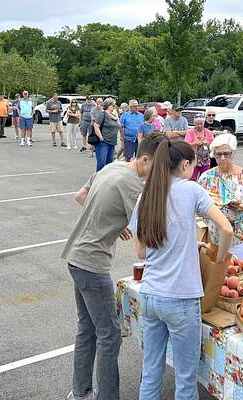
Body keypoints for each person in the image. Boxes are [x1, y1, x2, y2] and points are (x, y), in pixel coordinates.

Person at [62, 133, 166, 400]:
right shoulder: (133, 186)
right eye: (159, 166)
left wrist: (110, 220)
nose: (160, 174)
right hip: (92, 264)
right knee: (109, 334)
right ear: (145, 160)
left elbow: (81, 196)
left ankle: (80, 392)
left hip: (77, 257)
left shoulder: (113, 166)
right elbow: (144, 237)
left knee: (87, 328)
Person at [130, 140, 233, 400]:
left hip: (151, 294)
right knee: (185, 380)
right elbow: (227, 229)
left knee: (151, 372)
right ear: (185, 164)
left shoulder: (146, 195)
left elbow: (141, 252)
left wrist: (186, 245)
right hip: (181, 297)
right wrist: (220, 260)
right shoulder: (191, 190)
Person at [198, 133, 243, 265]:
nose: (222, 158)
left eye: (226, 154)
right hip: (214, 238)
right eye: (218, 154)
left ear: (233, 153)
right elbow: (197, 209)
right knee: (215, 274)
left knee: (239, 273)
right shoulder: (206, 177)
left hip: (239, 239)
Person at [93, 98, 121, 172]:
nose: (114, 107)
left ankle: (106, 177)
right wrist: (101, 138)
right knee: (101, 162)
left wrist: (116, 116)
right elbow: (96, 126)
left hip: (112, 142)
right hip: (103, 142)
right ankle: (97, 176)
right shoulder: (102, 114)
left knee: (109, 163)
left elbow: (119, 125)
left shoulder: (114, 115)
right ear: (108, 105)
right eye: (113, 105)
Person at [184, 115, 214, 180]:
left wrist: (207, 143)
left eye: (201, 124)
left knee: (205, 178)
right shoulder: (190, 132)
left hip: (205, 159)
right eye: (197, 124)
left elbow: (213, 145)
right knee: (192, 178)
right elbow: (186, 144)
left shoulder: (209, 132)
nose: (199, 125)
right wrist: (195, 143)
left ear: (204, 123)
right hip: (193, 159)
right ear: (194, 124)